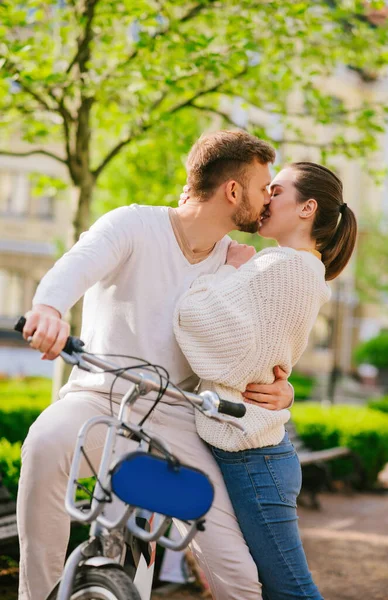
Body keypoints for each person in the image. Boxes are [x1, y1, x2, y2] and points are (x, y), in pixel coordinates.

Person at [17, 130, 294, 600]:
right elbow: (77, 264)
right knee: (44, 443)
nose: (269, 198)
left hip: (182, 417)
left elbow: (259, 352)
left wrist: (281, 389)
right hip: (99, 397)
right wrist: (48, 308)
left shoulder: (241, 262)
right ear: (232, 191)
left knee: (239, 574)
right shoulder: (133, 225)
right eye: (264, 186)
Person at [174, 161, 358, 600]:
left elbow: (202, 324)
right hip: (257, 454)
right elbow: (265, 357)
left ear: (306, 207)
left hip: (252, 458)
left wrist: (225, 269)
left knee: (290, 589)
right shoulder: (298, 267)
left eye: (276, 190)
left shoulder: (282, 267)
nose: (266, 198)